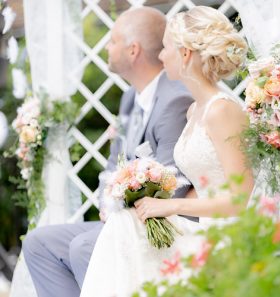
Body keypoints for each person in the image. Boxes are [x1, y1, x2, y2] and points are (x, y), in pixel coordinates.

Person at [80, 6, 254, 297]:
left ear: (185, 54)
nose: (160, 56)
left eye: (165, 48)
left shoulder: (222, 111)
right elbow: (205, 182)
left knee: (123, 230)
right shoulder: (192, 111)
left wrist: (171, 206)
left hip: (225, 236)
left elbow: (241, 199)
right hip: (199, 228)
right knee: (124, 226)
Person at [22, 7, 194, 297]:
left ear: (133, 50)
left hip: (160, 225)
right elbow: (113, 167)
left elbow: (171, 186)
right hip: (119, 218)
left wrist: (117, 211)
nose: (106, 46)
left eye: (113, 40)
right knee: (39, 243)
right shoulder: (131, 98)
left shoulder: (173, 101)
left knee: (85, 246)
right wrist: (106, 203)